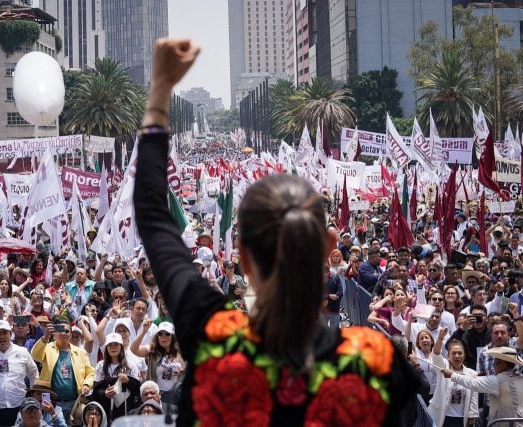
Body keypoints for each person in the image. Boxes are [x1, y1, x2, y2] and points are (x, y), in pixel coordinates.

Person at [133, 38, 419, 425]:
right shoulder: (374, 360)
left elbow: (154, 217)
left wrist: (160, 92)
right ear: (329, 247)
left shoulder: (216, 335)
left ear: (243, 255)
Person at [31, 320, 94, 422]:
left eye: (67, 331)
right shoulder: (47, 347)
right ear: (54, 333)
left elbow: (90, 372)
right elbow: (35, 355)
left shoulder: (80, 352)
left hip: (74, 403)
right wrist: (45, 337)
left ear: (70, 334)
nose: (64, 333)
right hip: (51, 402)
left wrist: (87, 384)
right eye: (60, 330)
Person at [444, 347, 523, 424]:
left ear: (503, 365)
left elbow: (472, 383)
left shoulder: (497, 381)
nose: (493, 366)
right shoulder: (520, 377)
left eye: (495, 362)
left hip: (505, 424)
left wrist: (452, 375)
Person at [428, 337, 479, 427]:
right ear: (448, 355)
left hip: (462, 418)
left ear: (464, 355)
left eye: (460, 353)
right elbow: (436, 355)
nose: (457, 356)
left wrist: (473, 415)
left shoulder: (472, 373)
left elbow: (473, 397)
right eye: (454, 353)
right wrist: (440, 339)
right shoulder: (443, 367)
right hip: (443, 416)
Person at [91, 333, 141, 421]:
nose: (113, 347)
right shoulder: (100, 365)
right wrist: (105, 393)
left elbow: (138, 389)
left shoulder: (130, 365)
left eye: (116, 344)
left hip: (125, 412)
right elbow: (95, 391)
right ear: (106, 348)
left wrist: (128, 381)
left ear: (121, 347)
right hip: (105, 413)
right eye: (110, 345)